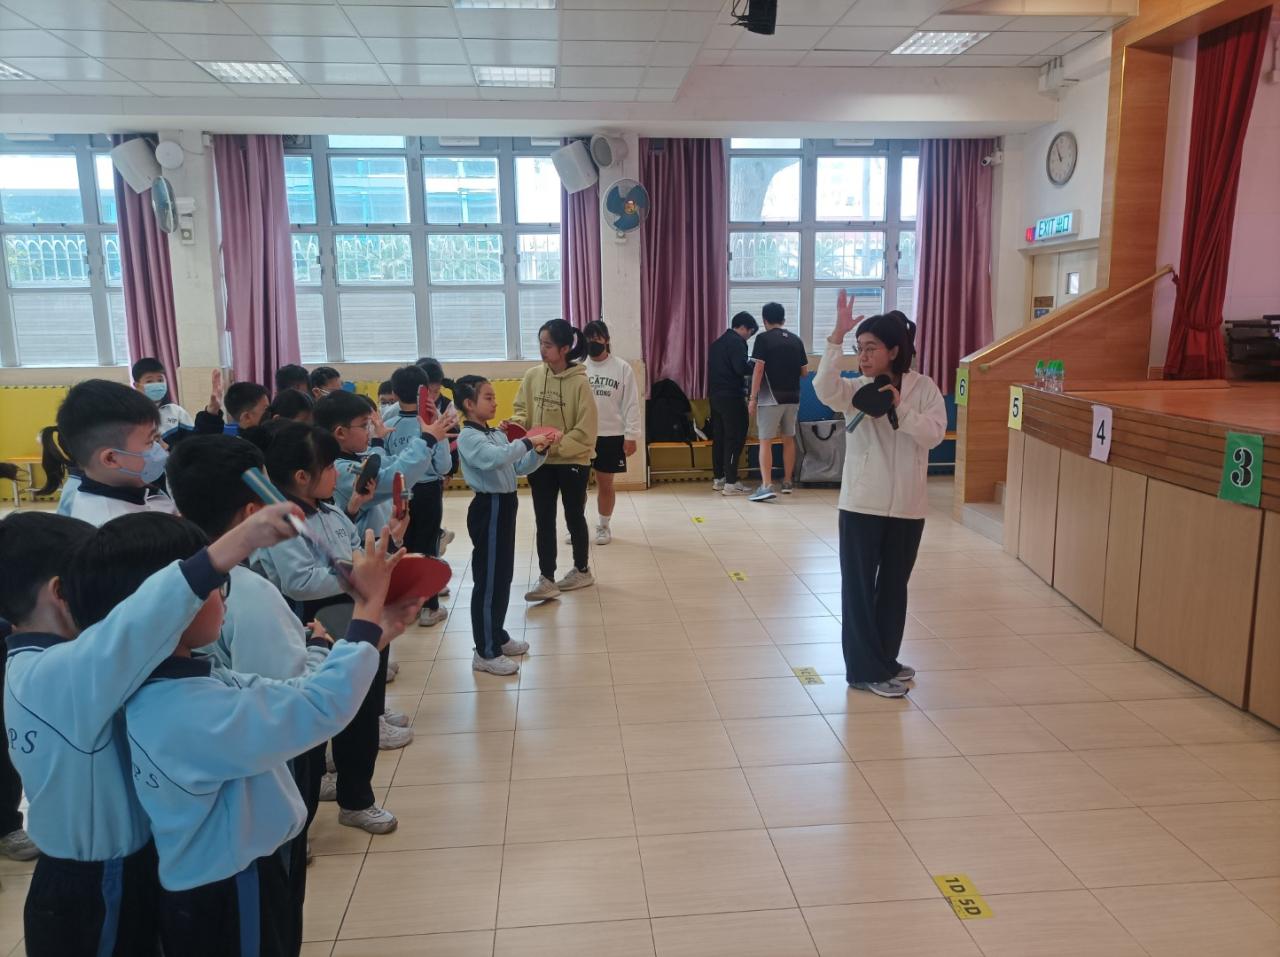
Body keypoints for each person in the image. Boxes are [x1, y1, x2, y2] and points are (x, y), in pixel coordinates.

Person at [77, 513, 404, 957]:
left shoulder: (178, 681)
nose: (225, 597)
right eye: (217, 587)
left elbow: (289, 693)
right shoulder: (186, 711)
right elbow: (317, 708)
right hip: (225, 889)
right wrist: (366, 609)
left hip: (224, 877)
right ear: (166, 609)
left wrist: (365, 636)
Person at [2, 504, 301, 956]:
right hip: (96, 886)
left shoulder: (47, 666)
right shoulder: (54, 675)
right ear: (61, 592)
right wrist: (236, 543)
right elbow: (138, 623)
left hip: (116, 873)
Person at [248, 422, 403, 834]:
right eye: (330, 466)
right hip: (314, 625)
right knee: (314, 723)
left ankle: (357, 799)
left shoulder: (331, 512)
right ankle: (300, 825)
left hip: (357, 617)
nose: (338, 473)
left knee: (361, 714)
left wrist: (384, 547)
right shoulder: (281, 523)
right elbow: (298, 581)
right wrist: (354, 575)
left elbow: (354, 551)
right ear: (302, 476)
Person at [813, 294, 947, 698]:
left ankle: (885, 660)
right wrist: (836, 337)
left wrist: (899, 409)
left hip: (908, 507)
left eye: (871, 348)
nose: (864, 356)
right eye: (860, 348)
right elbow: (823, 388)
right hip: (860, 506)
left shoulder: (924, 388)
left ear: (893, 351)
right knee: (857, 589)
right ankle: (863, 671)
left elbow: (934, 434)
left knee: (893, 587)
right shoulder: (854, 388)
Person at [452, 375, 555, 675]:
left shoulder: (493, 433)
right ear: (469, 404)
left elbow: (517, 465)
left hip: (506, 505)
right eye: (488, 397)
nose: (495, 402)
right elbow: (494, 459)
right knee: (488, 581)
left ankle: (496, 634)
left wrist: (539, 450)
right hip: (490, 508)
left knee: (502, 576)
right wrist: (527, 441)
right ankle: (485, 651)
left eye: (494, 397)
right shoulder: (469, 437)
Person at [512, 318, 599, 601]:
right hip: (540, 460)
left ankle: (582, 569)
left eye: (548, 345)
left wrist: (557, 444)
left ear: (564, 349)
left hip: (573, 460)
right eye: (540, 343)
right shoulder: (532, 376)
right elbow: (521, 410)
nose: (542, 349)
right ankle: (546, 578)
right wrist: (515, 425)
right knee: (544, 520)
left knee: (574, 516)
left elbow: (586, 430)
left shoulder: (580, 383)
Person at [38, 379, 177, 525]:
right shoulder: (118, 527)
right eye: (152, 441)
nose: (164, 446)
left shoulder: (130, 488)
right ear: (111, 459)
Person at [385, 364, 456, 627]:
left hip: (399, 492)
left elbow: (386, 465)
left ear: (394, 393)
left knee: (403, 548)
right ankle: (430, 608)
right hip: (428, 492)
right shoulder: (432, 426)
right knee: (428, 548)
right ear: (424, 391)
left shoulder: (387, 425)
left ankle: (408, 605)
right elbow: (444, 466)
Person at [576, 320, 641, 545]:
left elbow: (631, 404)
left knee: (605, 483)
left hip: (611, 435)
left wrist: (631, 436)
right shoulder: (578, 368)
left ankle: (603, 526)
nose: (592, 342)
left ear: (606, 340)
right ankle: (576, 527)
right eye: (588, 339)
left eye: (597, 338)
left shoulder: (622, 368)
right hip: (581, 435)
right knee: (577, 486)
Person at [748, 301, 809, 501]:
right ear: (783, 319)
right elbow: (804, 372)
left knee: (765, 441)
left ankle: (766, 485)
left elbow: (758, 369)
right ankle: (788, 482)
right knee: (788, 439)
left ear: (764, 320)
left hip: (770, 398)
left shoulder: (762, 339)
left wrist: (753, 398)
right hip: (793, 397)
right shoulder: (796, 340)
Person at [707, 312, 758, 496]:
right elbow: (740, 368)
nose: (748, 337)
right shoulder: (737, 342)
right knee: (735, 437)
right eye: (750, 333)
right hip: (732, 397)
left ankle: (719, 479)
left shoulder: (716, 344)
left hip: (715, 396)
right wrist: (754, 365)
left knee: (719, 438)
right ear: (743, 327)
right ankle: (731, 482)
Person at [131, 358, 225, 444]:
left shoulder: (176, 412)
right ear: (137, 386)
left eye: (160, 380)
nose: (156, 385)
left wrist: (211, 412)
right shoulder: (130, 415)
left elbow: (196, 442)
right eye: (149, 381)